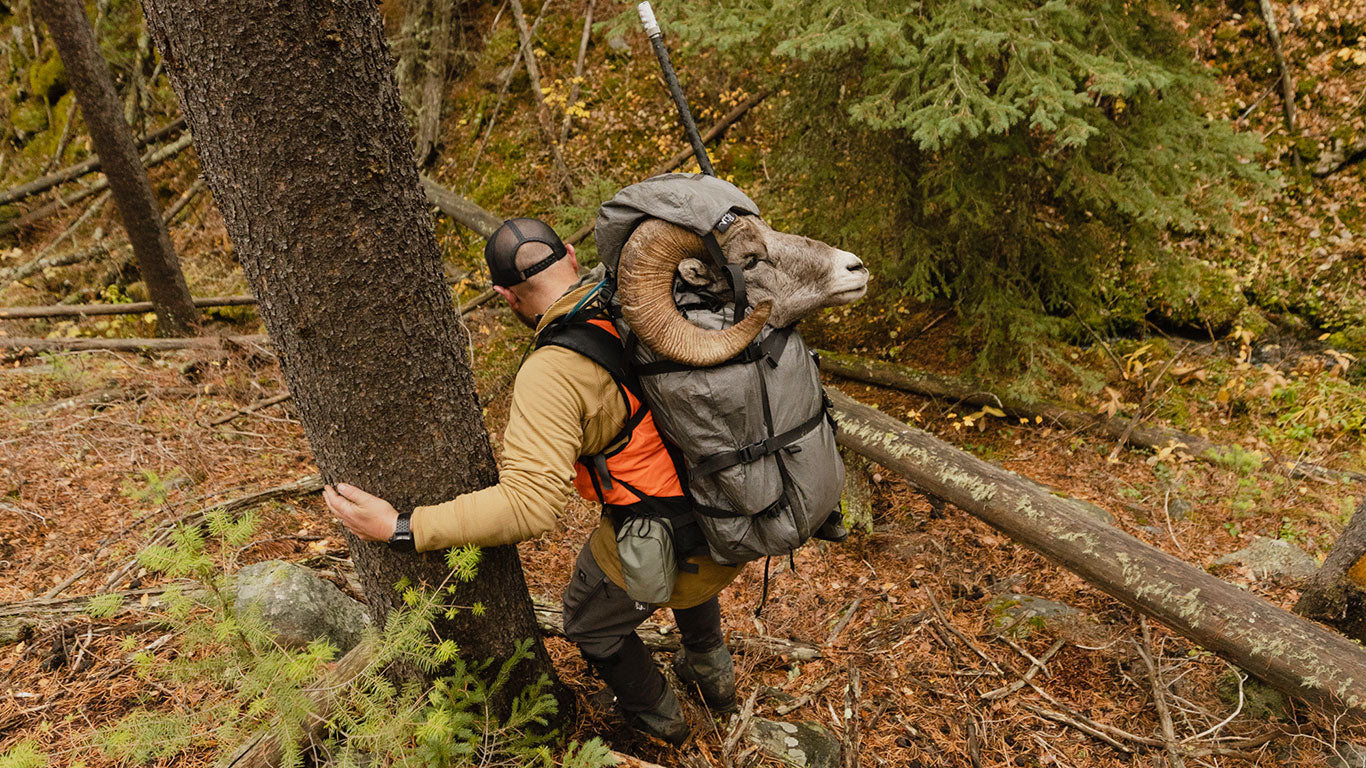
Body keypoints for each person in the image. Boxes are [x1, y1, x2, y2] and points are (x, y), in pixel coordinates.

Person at [322, 217, 742, 745]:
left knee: (589, 621)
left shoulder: (554, 369)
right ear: (569, 253)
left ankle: (666, 727)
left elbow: (531, 505)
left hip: (679, 533)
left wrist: (401, 526)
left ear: (505, 295)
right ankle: (713, 675)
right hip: (729, 507)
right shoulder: (639, 299)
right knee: (676, 544)